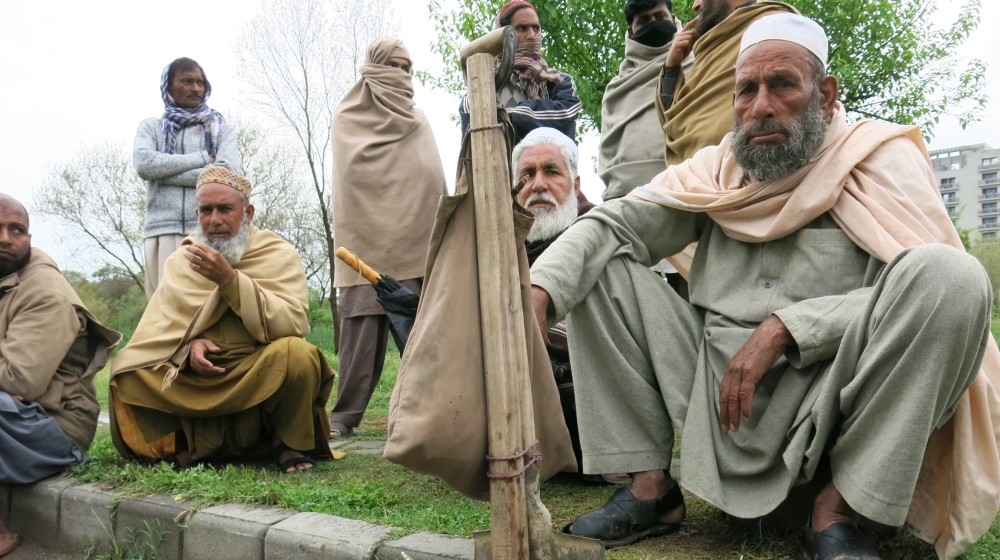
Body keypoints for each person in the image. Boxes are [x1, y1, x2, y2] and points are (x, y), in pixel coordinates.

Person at [530, 14, 1000, 558]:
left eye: (782, 84)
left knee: (955, 277)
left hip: (830, 407)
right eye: (746, 90)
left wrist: (789, 328)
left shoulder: (878, 162)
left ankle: (842, 511)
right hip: (713, 397)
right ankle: (649, 488)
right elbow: (617, 223)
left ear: (824, 95)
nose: (761, 106)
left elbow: (915, 299)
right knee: (598, 259)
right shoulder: (716, 172)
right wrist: (538, 292)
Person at [109, 168, 334, 473]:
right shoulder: (181, 260)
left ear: (248, 213)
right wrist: (186, 347)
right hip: (200, 376)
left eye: (225, 209)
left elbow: (291, 323)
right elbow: (160, 329)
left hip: (257, 366)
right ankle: (190, 444)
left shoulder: (278, 253)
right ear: (197, 213)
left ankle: (285, 442)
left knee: (299, 355)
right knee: (129, 367)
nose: (214, 220)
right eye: (206, 210)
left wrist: (230, 280)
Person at [330, 38, 447, 439]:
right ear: (373, 67)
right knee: (361, 328)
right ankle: (345, 414)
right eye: (393, 66)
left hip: (415, 239)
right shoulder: (348, 115)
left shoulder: (419, 119)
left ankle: (433, 412)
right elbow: (350, 178)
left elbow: (430, 176)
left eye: (407, 68)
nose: (402, 76)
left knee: (419, 325)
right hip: (364, 239)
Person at [0, 194, 120, 556]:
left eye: (16, 229)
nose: (6, 237)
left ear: (29, 239)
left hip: (54, 427)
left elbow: (17, 381)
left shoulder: (45, 292)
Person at [512, 128, 595, 471]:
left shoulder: (601, 236)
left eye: (552, 171)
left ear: (575, 185)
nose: (539, 185)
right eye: (527, 175)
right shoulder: (494, 250)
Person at [134, 57, 240, 299]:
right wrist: (202, 158)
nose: (195, 88)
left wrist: (164, 174)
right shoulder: (151, 128)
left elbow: (224, 175)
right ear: (168, 87)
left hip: (210, 232)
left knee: (209, 307)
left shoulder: (221, 129)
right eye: (187, 81)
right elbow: (144, 164)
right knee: (165, 307)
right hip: (162, 230)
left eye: (200, 82)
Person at [657, 0, 795, 167]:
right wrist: (671, 68)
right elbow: (677, 117)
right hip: (693, 179)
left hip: (758, 169)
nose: (695, 6)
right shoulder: (707, 48)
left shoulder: (773, 23)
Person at [599, 0, 690, 201]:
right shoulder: (616, 88)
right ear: (630, 31)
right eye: (644, 20)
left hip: (687, 194)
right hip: (624, 199)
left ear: (673, 19)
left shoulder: (700, 65)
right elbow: (607, 154)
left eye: (660, 16)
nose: (654, 23)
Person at [459, 1, 583, 144]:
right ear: (504, 36)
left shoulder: (558, 81)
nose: (532, 35)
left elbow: (564, 115)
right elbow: (474, 121)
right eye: (522, 28)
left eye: (536, 28)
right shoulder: (485, 86)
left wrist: (506, 115)